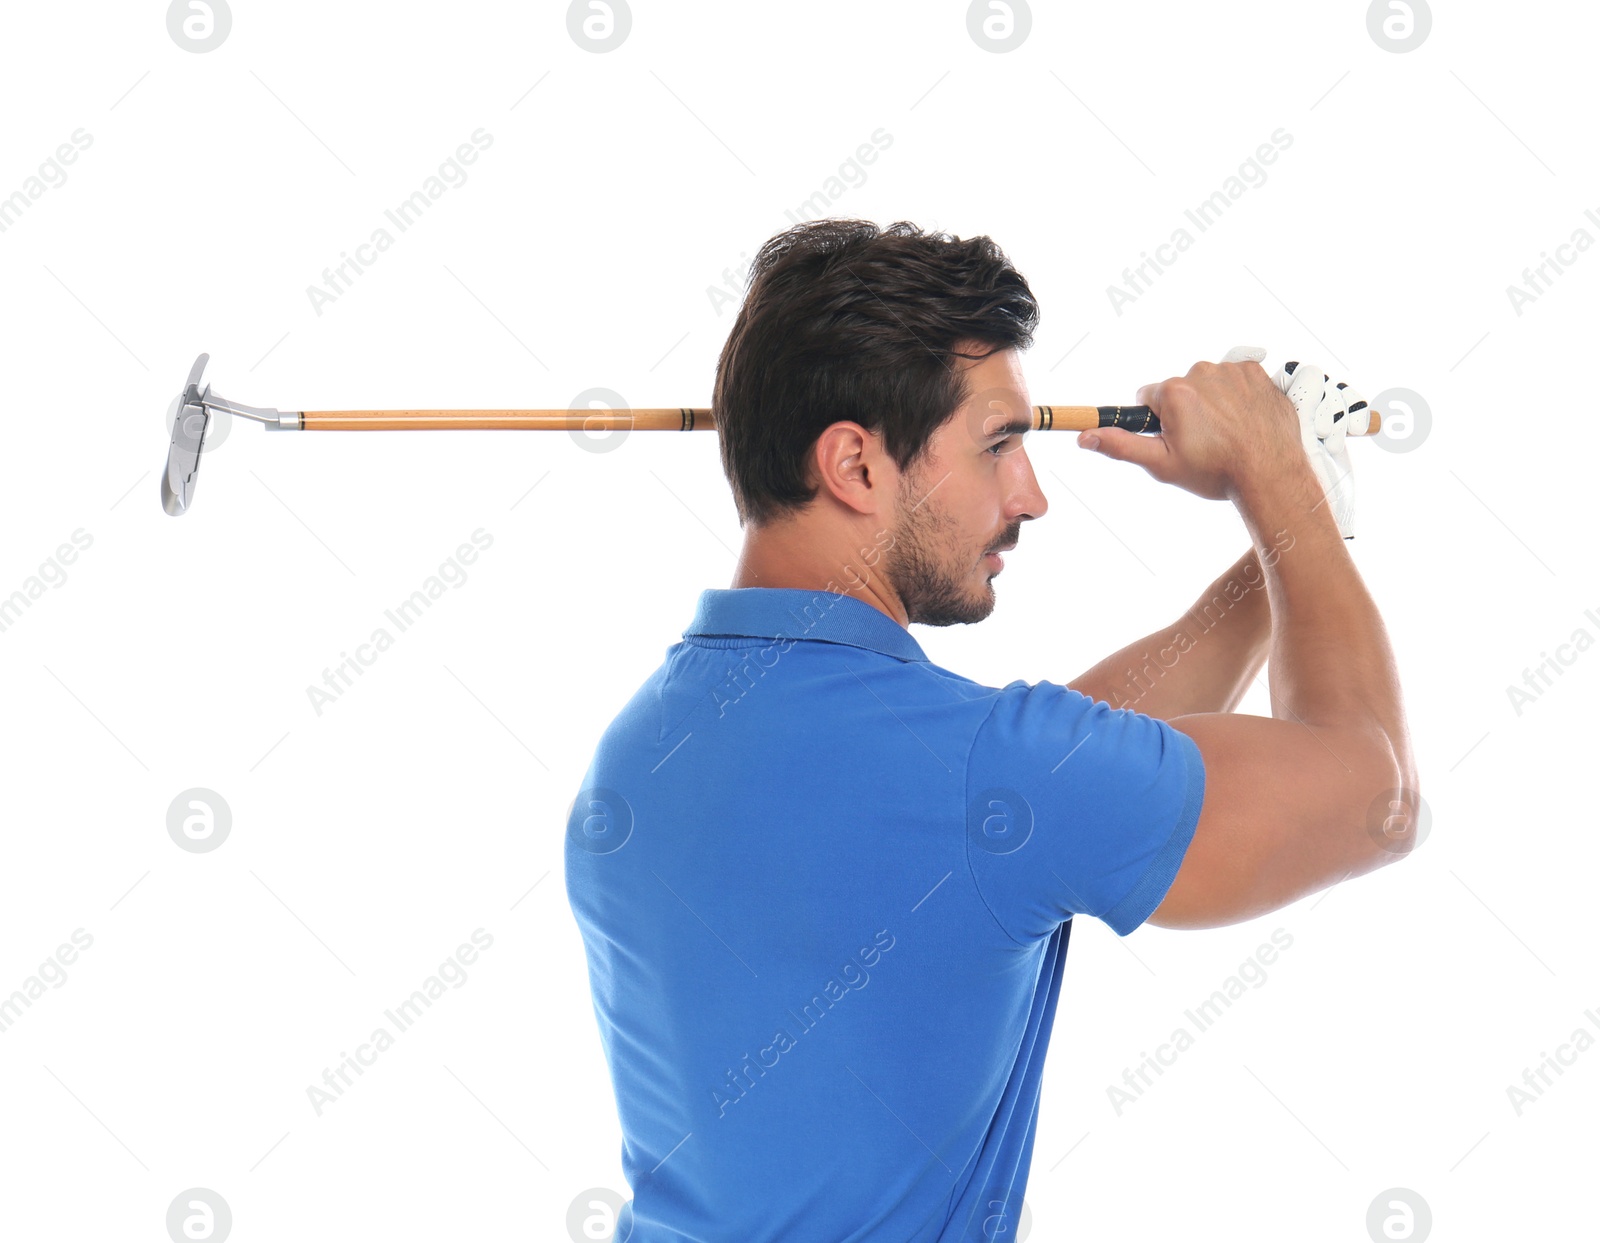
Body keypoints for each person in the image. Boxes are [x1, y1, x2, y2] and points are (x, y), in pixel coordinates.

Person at [564, 219, 1419, 1242]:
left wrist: (1285, 541)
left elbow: (1037, 784)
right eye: (999, 443)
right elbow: (1375, 800)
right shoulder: (973, 775)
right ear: (856, 465)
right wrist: (1279, 492)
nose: (1033, 494)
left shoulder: (649, 747)